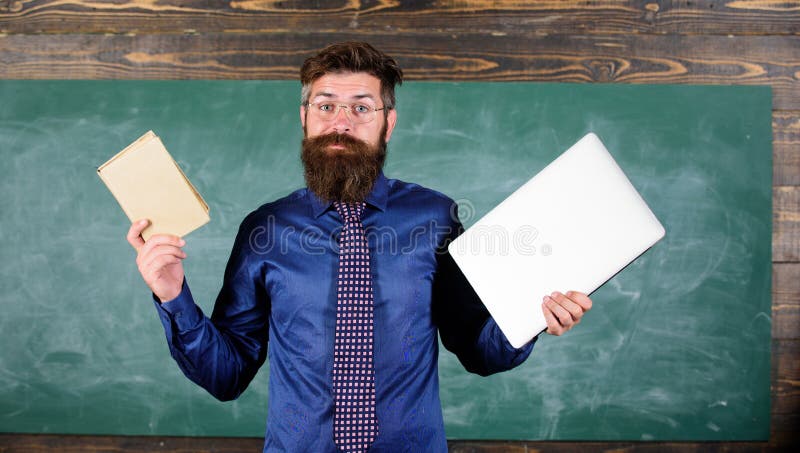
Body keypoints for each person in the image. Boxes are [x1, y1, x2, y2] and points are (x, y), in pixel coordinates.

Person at [126, 42, 592, 452]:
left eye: (361, 107)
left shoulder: (435, 219)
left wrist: (531, 318)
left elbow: (477, 348)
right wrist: (172, 295)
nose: (341, 123)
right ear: (304, 118)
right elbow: (226, 376)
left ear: (388, 123)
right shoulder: (264, 229)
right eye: (326, 106)